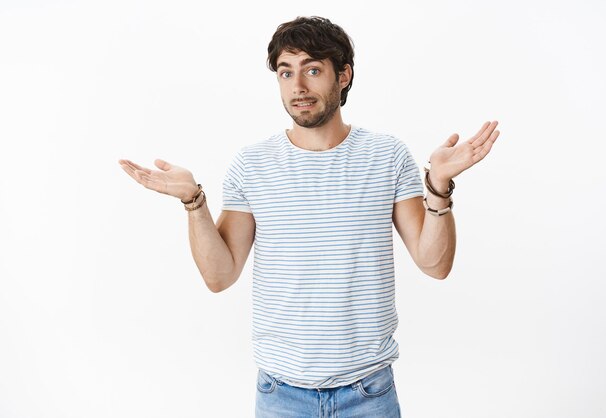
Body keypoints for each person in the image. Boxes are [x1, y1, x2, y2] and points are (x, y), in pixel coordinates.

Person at [119, 16, 500, 418]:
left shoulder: (387, 157)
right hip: (281, 395)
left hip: (368, 391)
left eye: (313, 70)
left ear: (344, 76)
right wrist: (194, 202)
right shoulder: (252, 165)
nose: (297, 87)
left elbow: (435, 264)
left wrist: (438, 184)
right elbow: (220, 276)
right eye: (286, 73)